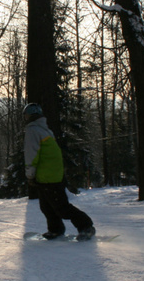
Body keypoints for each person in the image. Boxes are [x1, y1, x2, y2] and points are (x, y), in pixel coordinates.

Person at [23, 103, 95, 240]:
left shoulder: (33, 130)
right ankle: (55, 229)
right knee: (46, 206)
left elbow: (31, 154)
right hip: (52, 174)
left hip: (48, 176)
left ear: (29, 116)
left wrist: (30, 174)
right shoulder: (46, 130)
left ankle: (86, 226)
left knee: (62, 207)